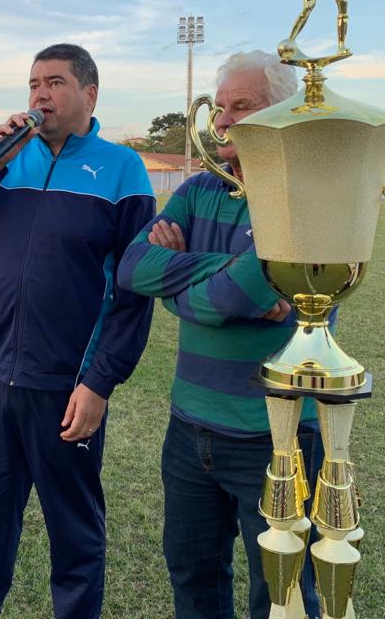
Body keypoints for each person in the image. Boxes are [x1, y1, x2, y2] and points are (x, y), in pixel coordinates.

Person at [0, 43, 156, 619]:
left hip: (68, 386)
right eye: (34, 83)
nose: (40, 94)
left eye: (55, 82)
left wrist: (99, 383)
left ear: (90, 94)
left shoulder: (122, 169)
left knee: (74, 532)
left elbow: (135, 292)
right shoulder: (8, 161)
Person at [117, 50, 325, 619]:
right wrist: (228, 275)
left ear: (282, 112)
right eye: (222, 107)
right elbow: (132, 268)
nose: (225, 120)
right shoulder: (199, 189)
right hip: (189, 430)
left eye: (243, 106)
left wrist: (184, 282)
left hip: (278, 434)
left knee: (281, 592)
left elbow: (236, 296)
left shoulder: (305, 195)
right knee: (192, 576)